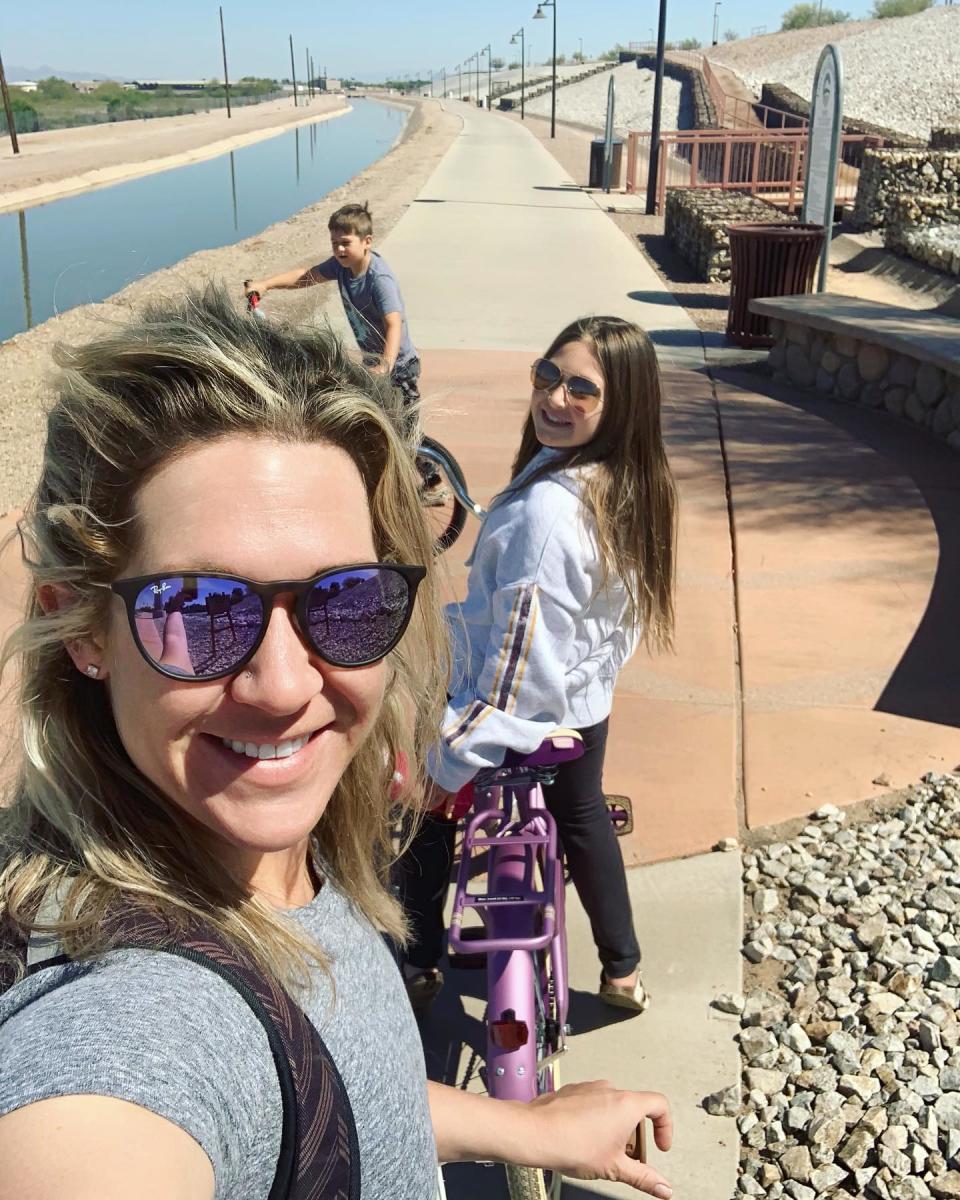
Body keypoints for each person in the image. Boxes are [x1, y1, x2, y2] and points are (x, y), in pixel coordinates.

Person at [0, 290, 674, 1200]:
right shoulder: (125, 1030)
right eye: (200, 611)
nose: (284, 687)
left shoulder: (280, 848)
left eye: (345, 601)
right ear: (81, 628)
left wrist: (522, 1127)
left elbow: (340, 1091)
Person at [396, 315, 678, 1015]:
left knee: (423, 814)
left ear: (622, 407)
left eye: (582, 389)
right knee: (582, 815)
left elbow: (513, 676)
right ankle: (622, 969)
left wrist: (446, 765)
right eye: (547, 376)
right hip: (584, 705)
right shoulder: (627, 484)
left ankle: (418, 959)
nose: (555, 399)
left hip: (521, 715)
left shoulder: (545, 517)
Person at [243, 201, 421, 437]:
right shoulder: (341, 268)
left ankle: (428, 470)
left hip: (399, 367)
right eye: (335, 244)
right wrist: (266, 285)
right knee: (373, 427)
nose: (339, 250)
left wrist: (387, 365)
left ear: (367, 241)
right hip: (374, 364)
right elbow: (306, 276)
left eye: (346, 243)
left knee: (405, 433)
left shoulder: (379, 279)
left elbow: (393, 324)